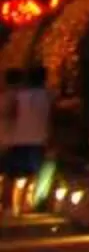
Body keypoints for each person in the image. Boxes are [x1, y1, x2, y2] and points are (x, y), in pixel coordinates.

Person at [0, 68, 46, 213]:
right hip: (30, 139)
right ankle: (22, 203)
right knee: (30, 172)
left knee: (12, 174)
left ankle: (10, 204)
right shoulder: (43, 95)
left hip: (16, 139)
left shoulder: (17, 96)